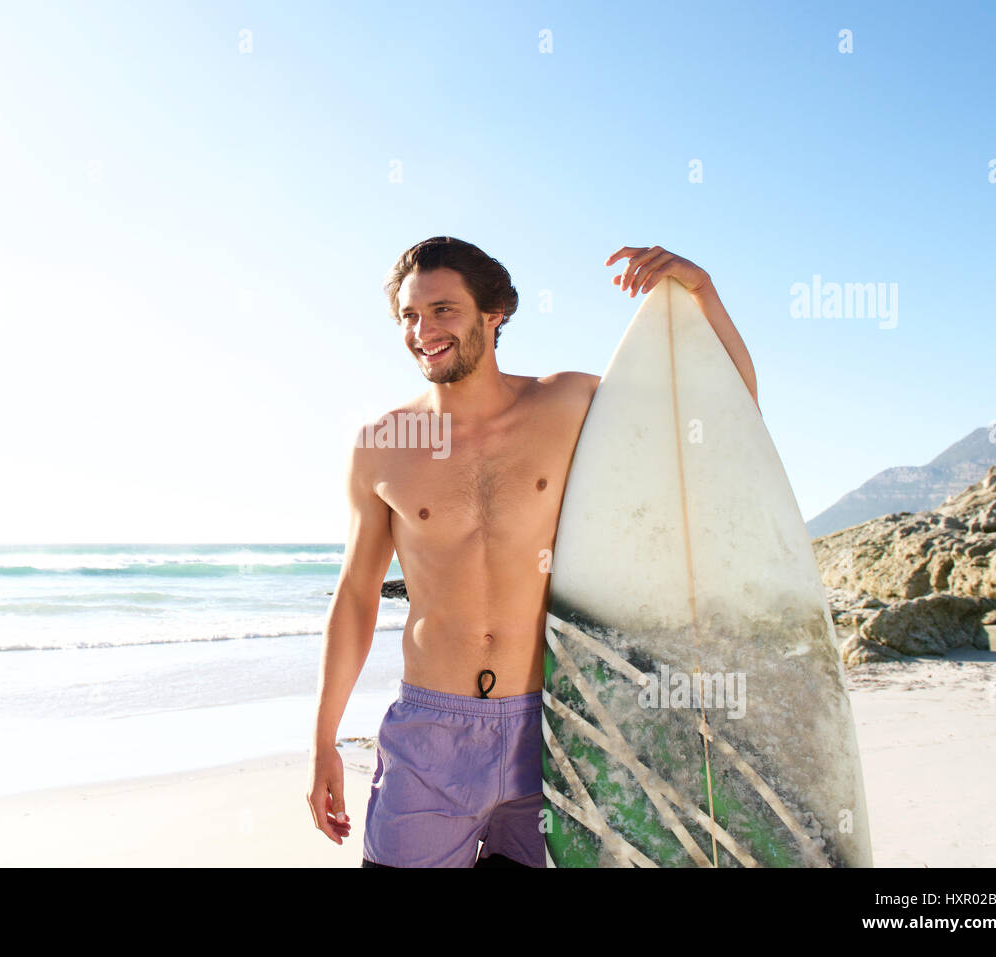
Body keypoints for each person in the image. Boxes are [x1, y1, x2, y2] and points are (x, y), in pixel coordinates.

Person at [306, 237, 758, 867]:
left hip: (554, 732)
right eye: (409, 316)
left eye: (442, 310)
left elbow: (727, 413)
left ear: (494, 312)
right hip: (430, 735)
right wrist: (324, 739)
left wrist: (702, 290)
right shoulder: (382, 444)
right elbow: (356, 594)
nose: (422, 331)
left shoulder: (568, 404)